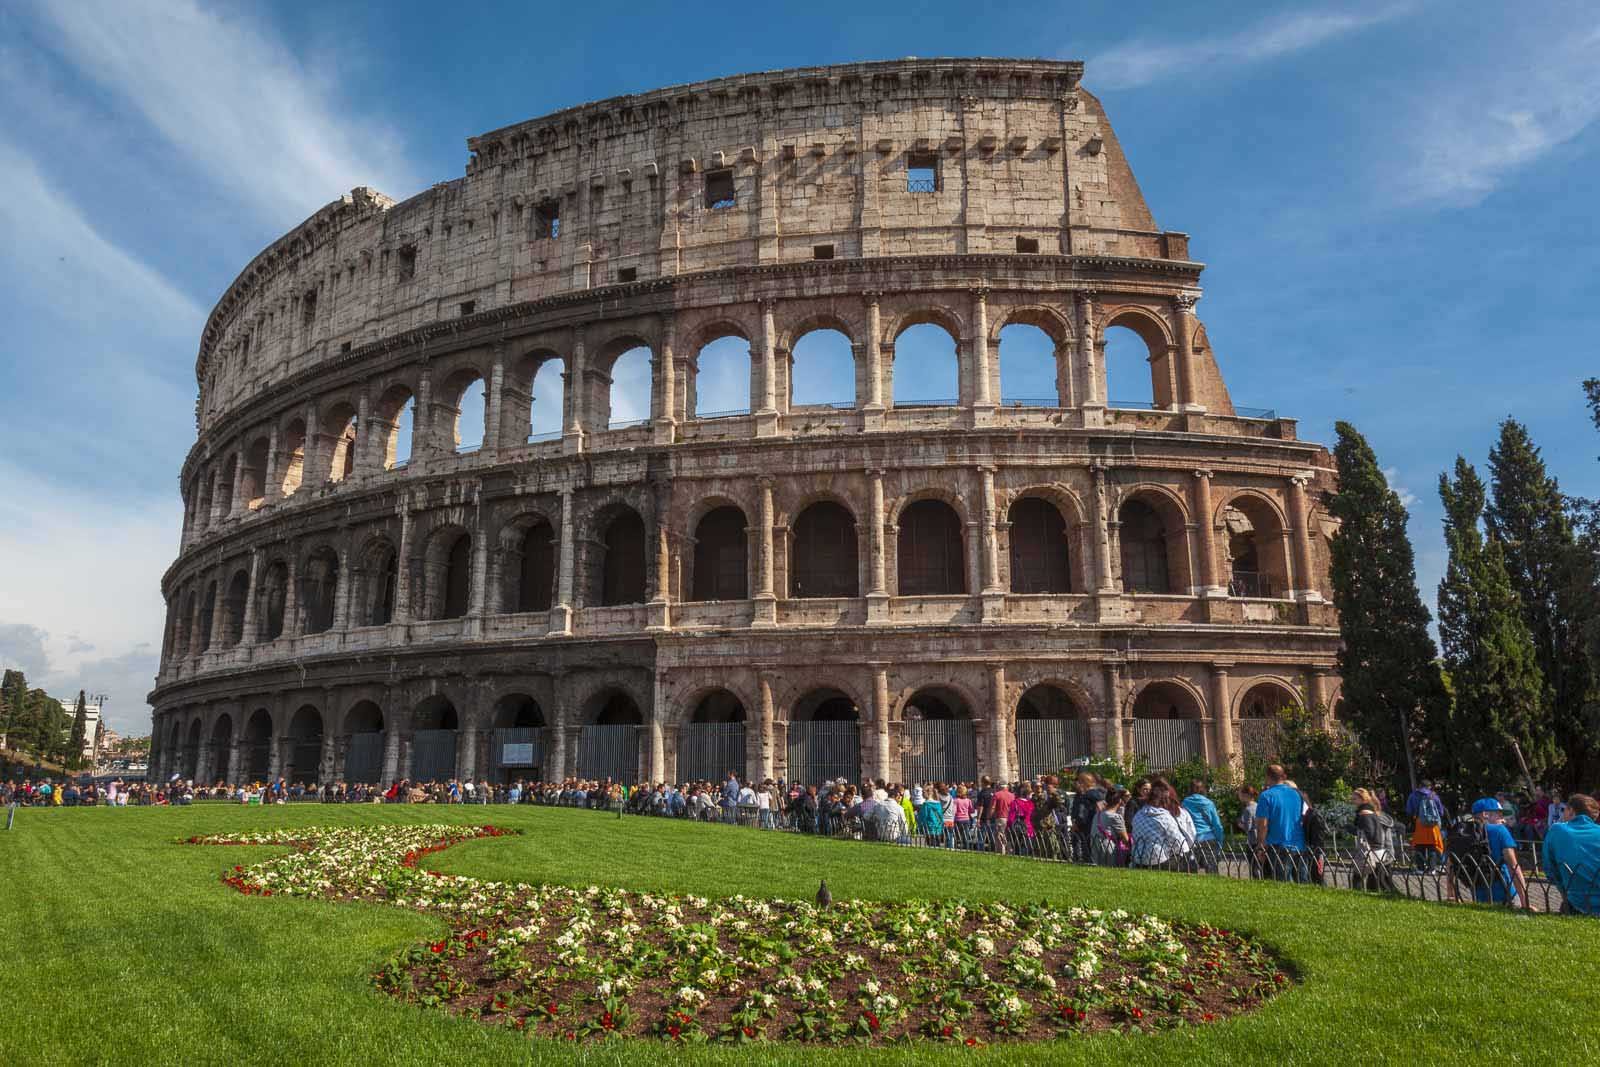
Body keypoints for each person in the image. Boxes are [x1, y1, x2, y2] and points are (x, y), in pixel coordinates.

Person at [1542, 793, 1600, 915]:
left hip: (1577, 903)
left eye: (1564, 810)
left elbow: (1549, 868)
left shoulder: (1558, 830)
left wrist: (1564, 891)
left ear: (1571, 811)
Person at [1464, 797, 1528, 908]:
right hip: (1505, 894)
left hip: (1479, 896)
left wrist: (1451, 894)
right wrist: (1525, 902)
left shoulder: (1464, 833)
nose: (1503, 819)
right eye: (1499, 814)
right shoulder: (1499, 831)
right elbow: (1514, 867)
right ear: (1485, 814)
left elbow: (1451, 863)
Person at [1254, 764, 1308, 882]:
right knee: (1303, 883)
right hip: (1299, 843)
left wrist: (1261, 845)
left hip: (1278, 844)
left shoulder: (1266, 796)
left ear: (1267, 777)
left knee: (1282, 883)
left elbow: (1263, 825)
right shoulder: (1297, 794)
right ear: (1283, 776)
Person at [1130, 780, 1195, 870]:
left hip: (1138, 860)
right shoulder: (1164, 817)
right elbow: (1179, 843)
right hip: (1158, 861)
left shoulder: (1138, 815)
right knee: (1189, 859)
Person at [1352, 787, 1396, 893]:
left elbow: (1369, 833)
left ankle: (1357, 895)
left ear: (1362, 799)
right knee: (1374, 880)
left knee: (1358, 876)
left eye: (1354, 799)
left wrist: (1352, 829)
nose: (1352, 802)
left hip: (1372, 850)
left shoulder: (1365, 814)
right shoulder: (1370, 812)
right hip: (1378, 850)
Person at [1181, 781, 1226, 874]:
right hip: (1208, 838)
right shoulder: (1208, 803)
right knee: (1212, 870)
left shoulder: (1185, 802)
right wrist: (1220, 841)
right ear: (1203, 790)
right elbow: (1217, 825)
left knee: (1191, 870)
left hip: (1192, 839)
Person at [1406, 780, 1447, 871]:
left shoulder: (1413, 795)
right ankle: (1432, 869)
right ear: (1429, 786)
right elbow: (1441, 812)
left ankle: (1420, 869)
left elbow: (1409, 811)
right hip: (1433, 825)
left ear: (1420, 786)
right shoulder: (1434, 796)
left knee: (1420, 846)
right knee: (1432, 846)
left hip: (1419, 823)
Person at [1070, 772, 1106, 863]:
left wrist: (1076, 824)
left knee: (1088, 851)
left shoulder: (1085, 797)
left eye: (1079, 781)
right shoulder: (1101, 794)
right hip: (1100, 826)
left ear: (1083, 782)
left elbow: (1082, 814)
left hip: (1087, 827)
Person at [1091, 785, 1131, 867]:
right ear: (1120, 800)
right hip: (1109, 851)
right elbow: (1125, 839)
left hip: (1096, 848)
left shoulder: (1097, 814)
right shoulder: (1115, 817)